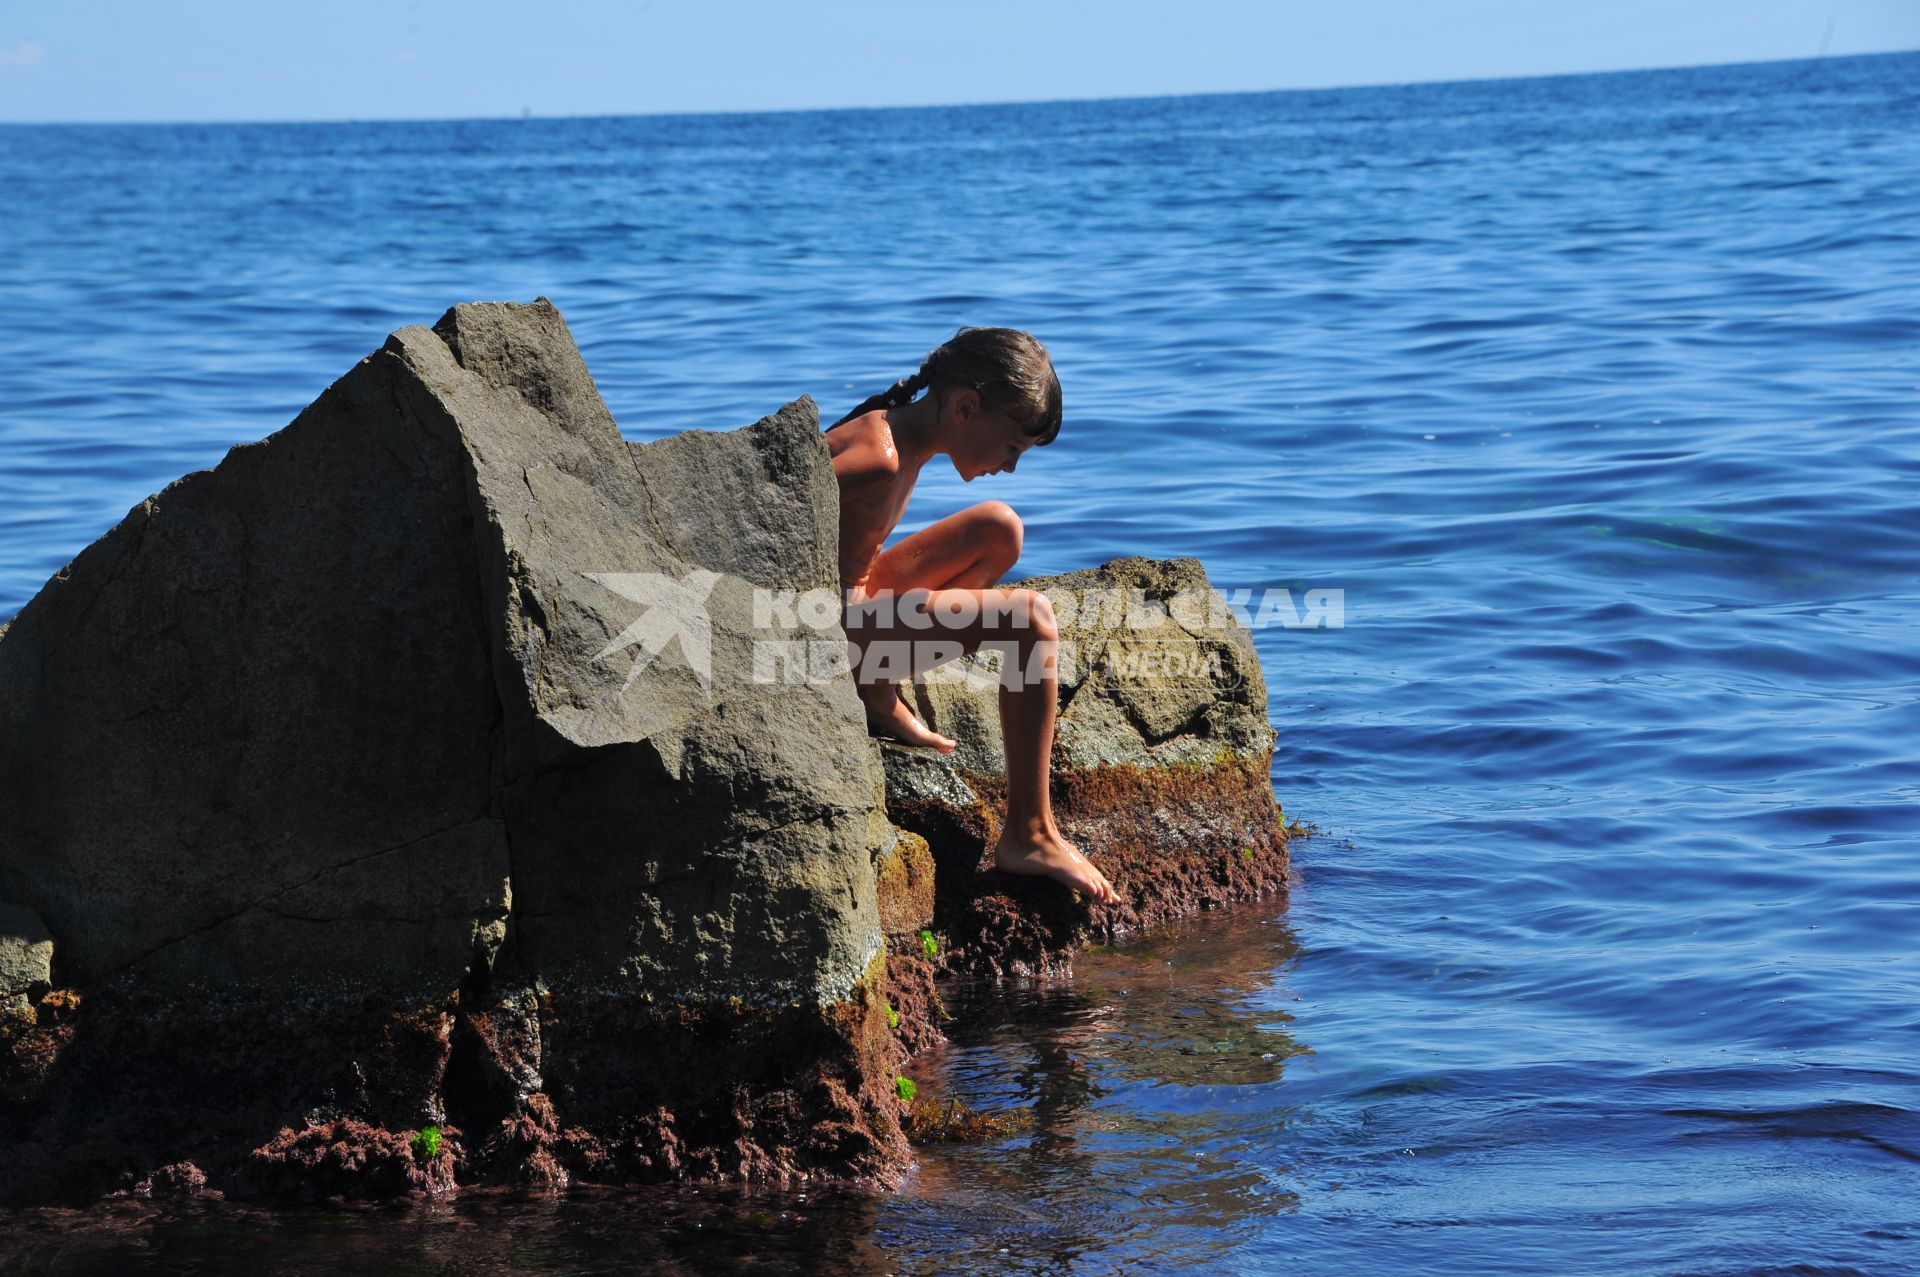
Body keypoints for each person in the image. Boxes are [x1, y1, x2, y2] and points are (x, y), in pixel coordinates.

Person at [828, 328, 1119, 906]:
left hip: (854, 611)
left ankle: (876, 684)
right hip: (820, 629)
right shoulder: (876, 460)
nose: (1009, 466)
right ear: (966, 408)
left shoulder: (899, 436)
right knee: (1029, 620)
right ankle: (1030, 835)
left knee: (999, 528)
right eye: (1011, 447)